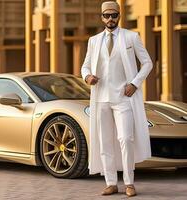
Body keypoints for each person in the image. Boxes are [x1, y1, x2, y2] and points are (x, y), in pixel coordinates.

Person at [81, 1, 153, 197]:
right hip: (101, 98)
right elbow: (85, 66)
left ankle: (129, 182)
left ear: (119, 16)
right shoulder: (94, 41)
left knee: (126, 138)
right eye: (106, 15)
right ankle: (111, 183)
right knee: (105, 142)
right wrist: (87, 76)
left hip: (123, 98)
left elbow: (147, 63)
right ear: (101, 17)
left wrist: (135, 83)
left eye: (113, 15)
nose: (110, 19)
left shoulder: (132, 37)